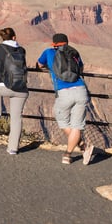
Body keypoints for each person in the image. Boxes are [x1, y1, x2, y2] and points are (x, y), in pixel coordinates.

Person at [36, 33, 95, 165]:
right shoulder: (74, 52)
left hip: (64, 92)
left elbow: (39, 65)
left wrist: (49, 67)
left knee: (62, 120)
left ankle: (81, 147)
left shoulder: (48, 52)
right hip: (80, 90)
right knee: (77, 126)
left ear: (54, 43)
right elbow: (81, 68)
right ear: (66, 42)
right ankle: (69, 155)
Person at [0, 27, 29, 155]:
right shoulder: (22, 50)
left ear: (2, 38)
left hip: (3, 88)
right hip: (21, 89)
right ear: (14, 37)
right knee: (16, 118)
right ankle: (13, 149)